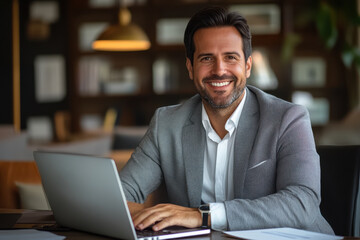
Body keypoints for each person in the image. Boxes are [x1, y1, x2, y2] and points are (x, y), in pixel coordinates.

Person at [119, 6, 334, 234]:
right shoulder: (167, 123)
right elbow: (121, 193)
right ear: (190, 68)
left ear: (247, 66)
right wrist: (144, 215)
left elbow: (302, 204)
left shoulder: (288, 119)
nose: (219, 70)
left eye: (230, 57)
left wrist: (203, 216)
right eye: (206, 58)